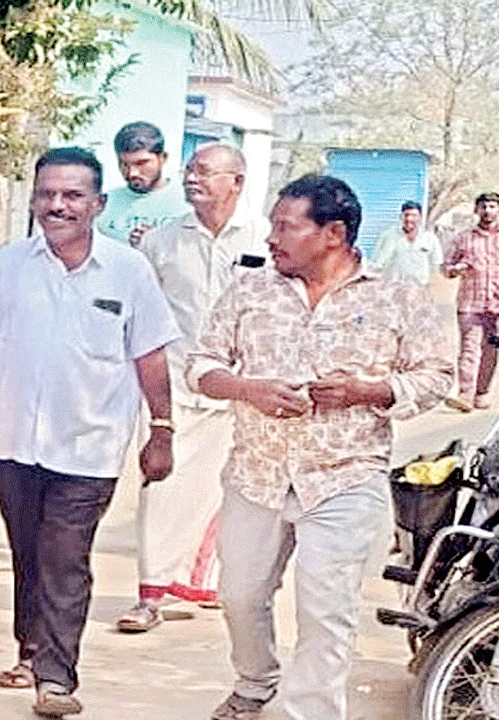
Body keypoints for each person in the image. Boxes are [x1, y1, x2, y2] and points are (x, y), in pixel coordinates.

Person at [0, 146, 180, 717]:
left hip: (90, 445)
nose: (57, 205)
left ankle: (57, 678)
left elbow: (151, 356)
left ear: (98, 203)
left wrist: (162, 428)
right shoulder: (7, 267)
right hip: (14, 441)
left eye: (72, 195)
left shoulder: (129, 271)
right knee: (28, 553)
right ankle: (31, 650)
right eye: (47, 194)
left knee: (65, 556)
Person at [188, 175, 453, 720]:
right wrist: (248, 389)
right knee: (239, 596)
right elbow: (201, 366)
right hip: (257, 475)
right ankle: (255, 681)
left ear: (333, 234)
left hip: (345, 476)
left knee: (326, 612)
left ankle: (309, 712)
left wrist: (369, 391)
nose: (271, 238)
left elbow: (436, 375)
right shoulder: (251, 290)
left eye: (286, 227)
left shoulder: (397, 297)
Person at [117, 143, 271, 633]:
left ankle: (208, 581)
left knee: (234, 491)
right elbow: (140, 315)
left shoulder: (268, 240)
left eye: (204, 171)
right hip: (176, 387)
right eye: (189, 170)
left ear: (236, 182)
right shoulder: (161, 242)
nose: (191, 178)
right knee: (161, 486)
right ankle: (150, 594)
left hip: (246, 389)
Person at [444, 192, 499, 411]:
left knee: (491, 349)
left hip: (496, 306)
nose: (488, 211)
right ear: (476, 210)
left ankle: (481, 392)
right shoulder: (463, 237)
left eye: (492, 206)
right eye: (484, 206)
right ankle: (465, 394)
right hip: (470, 304)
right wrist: (456, 269)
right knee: (469, 348)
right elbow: (446, 267)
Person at [95, 121, 191, 246]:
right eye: (125, 164)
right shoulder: (103, 204)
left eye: (141, 163)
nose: (132, 173)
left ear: (163, 158)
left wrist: (157, 245)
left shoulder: (189, 203)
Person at [371, 200, 442, 286]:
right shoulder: (387, 236)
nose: (409, 219)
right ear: (401, 217)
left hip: (419, 289)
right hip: (392, 289)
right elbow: (377, 263)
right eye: (406, 215)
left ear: (420, 217)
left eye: (414, 215)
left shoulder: (430, 239)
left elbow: (436, 266)